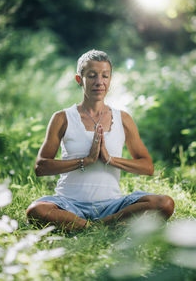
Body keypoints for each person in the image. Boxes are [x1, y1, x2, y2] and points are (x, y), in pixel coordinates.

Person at [26, 49, 174, 231]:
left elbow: (147, 167)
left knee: (165, 203)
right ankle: (98, 227)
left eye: (105, 76)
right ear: (79, 80)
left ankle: (97, 225)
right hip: (69, 204)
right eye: (92, 76)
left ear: (110, 80)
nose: (99, 82)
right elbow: (41, 167)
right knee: (36, 210)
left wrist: (110, 159)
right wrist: (85, 161)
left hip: (112, 205)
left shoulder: (123, 119)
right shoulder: (62, 118)